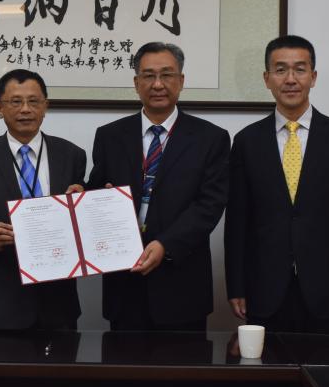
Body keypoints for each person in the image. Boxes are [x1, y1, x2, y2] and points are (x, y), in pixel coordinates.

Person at [224, 35, 329, 335]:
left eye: (300, 69)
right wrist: (236, 286)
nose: (290, 79)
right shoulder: (247, 141)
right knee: (264, 366)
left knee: (326, 364)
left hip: (328, 288)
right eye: (280, 70)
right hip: (263, 288)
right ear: (267, 78)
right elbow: (237, 222)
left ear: (313, 77)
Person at [86, 42, 230, 331]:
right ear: (136, 83)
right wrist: (84, 199)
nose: (158, 84)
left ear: (181, 81)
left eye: (167, 74)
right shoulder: (110, 136)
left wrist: (166, 244)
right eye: (148, 76)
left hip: (182, 281)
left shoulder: (211, 138)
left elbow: (209, 205)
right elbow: (99, 192)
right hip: (124, 281)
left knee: (182, 359)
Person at [0, 69, 84, 330]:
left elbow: (80, 227)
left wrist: (84, 205)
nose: (26, 109)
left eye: (34, 101)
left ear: (46, 106)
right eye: (16, 102)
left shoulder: (71, 155)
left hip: (58, 305)